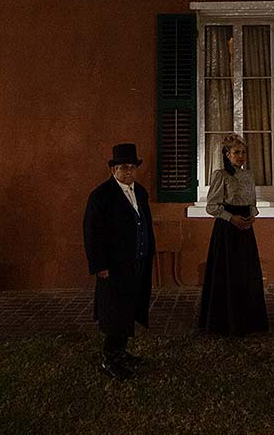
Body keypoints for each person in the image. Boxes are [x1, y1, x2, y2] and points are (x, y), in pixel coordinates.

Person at [83, 142, 157, 380]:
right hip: (114, 265)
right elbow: (92, 232)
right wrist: (99, 265)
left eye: (132, 167)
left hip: (137, 261)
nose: (128, 172)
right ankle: (110, 358)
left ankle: (122, 352)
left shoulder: (140, 192)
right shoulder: (101, 196)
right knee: (113, 311)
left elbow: (144, 223)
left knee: (129, 308)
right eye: (123, 168)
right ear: (113, 170)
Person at [198, 134, 270, 335]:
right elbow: (212, 206)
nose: (240, 156)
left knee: (246, 273)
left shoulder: (248, 175)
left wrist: (252, 216)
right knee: (227, 273)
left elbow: (252, 203)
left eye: (243, 152)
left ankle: (249, 321)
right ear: (227, 155)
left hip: (245, 230)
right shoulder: (221, 175)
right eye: (236, 152)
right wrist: (231, 218)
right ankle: (224, 321)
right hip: (227, 231)